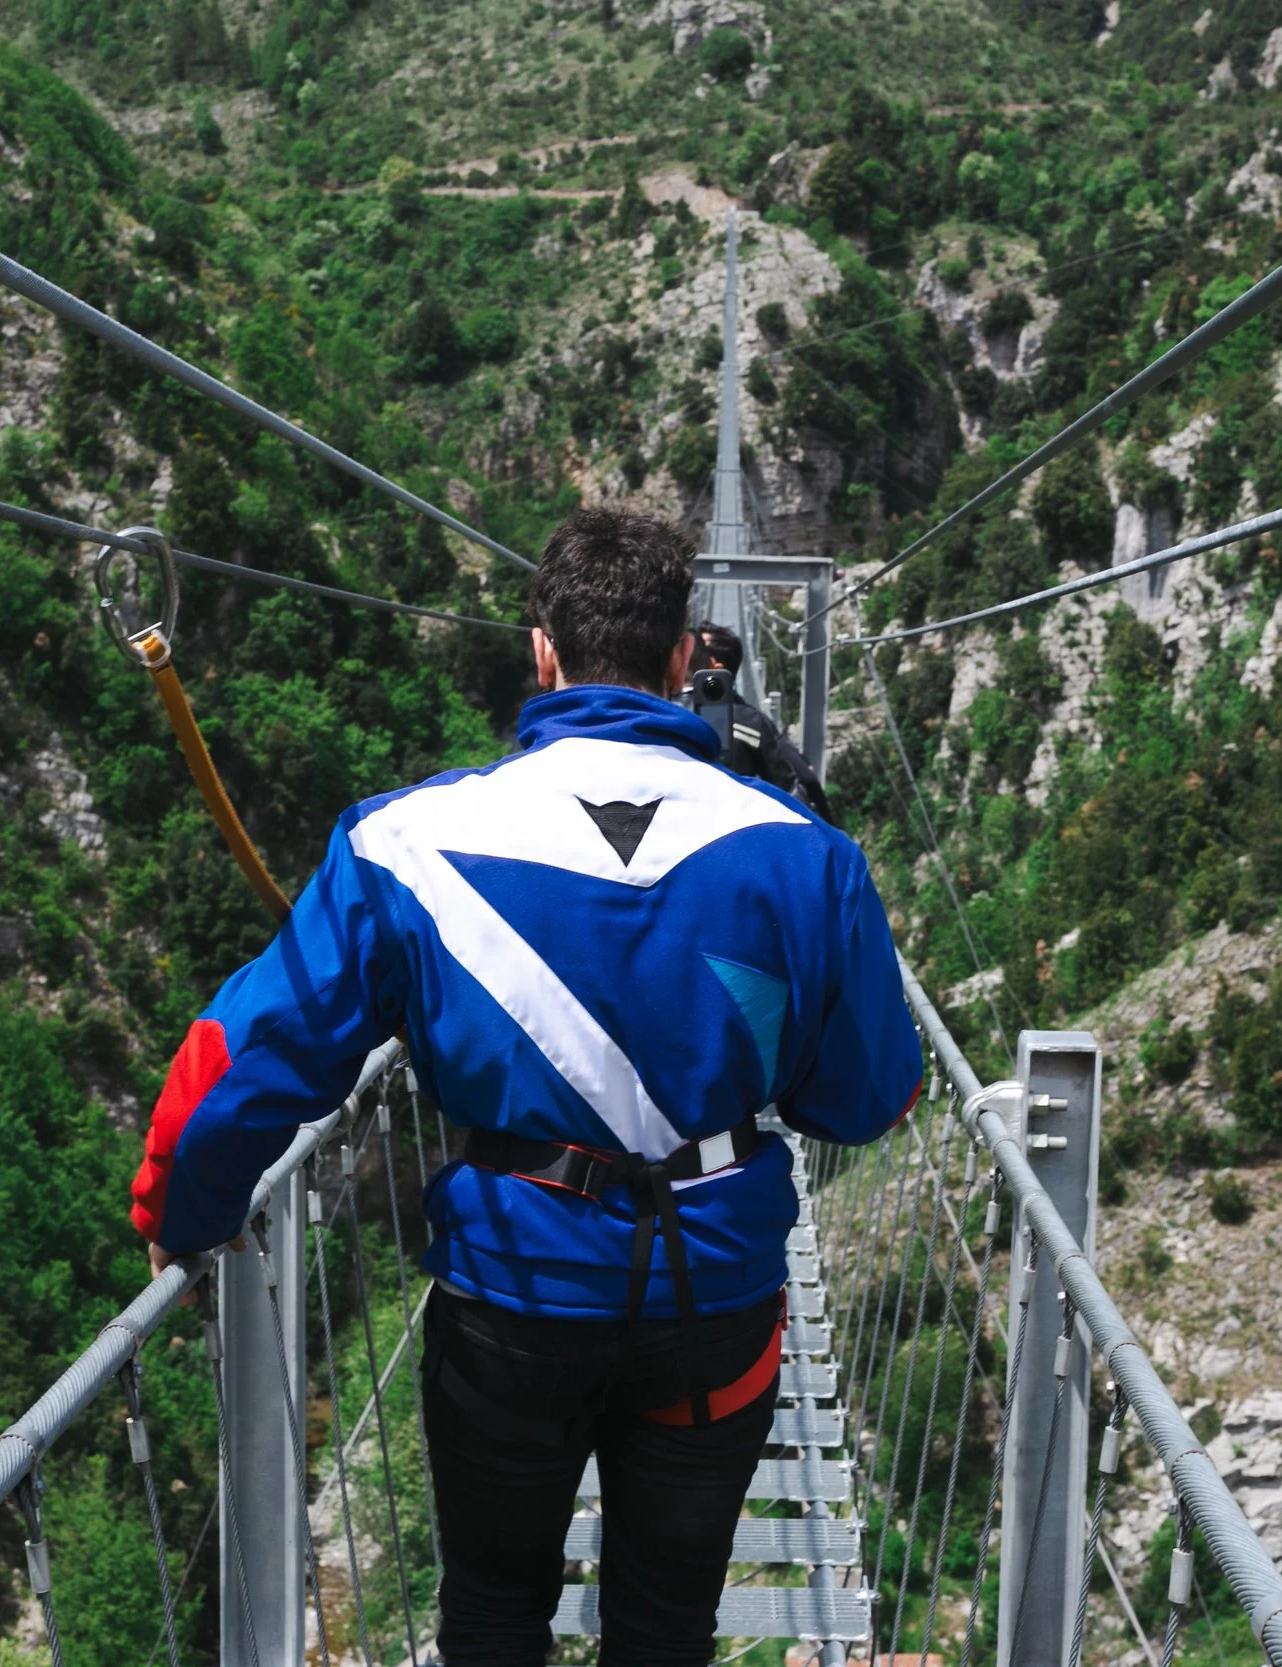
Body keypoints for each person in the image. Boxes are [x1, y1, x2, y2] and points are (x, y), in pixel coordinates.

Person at [127, 507, 923, 1667]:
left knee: (494, 1620)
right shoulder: (806, 855)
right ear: (682, 659)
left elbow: (245, 1055)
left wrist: (180, 1210)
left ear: (540, 651)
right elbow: (865, 1098)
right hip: (715, 1311)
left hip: (513, 1308)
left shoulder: (405, 841)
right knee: (665, 1630)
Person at [688, 620, 833, 819]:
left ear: (715, 668)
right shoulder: (752, 722)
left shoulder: (661, 708)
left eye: (692, 648)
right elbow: (799, 780)